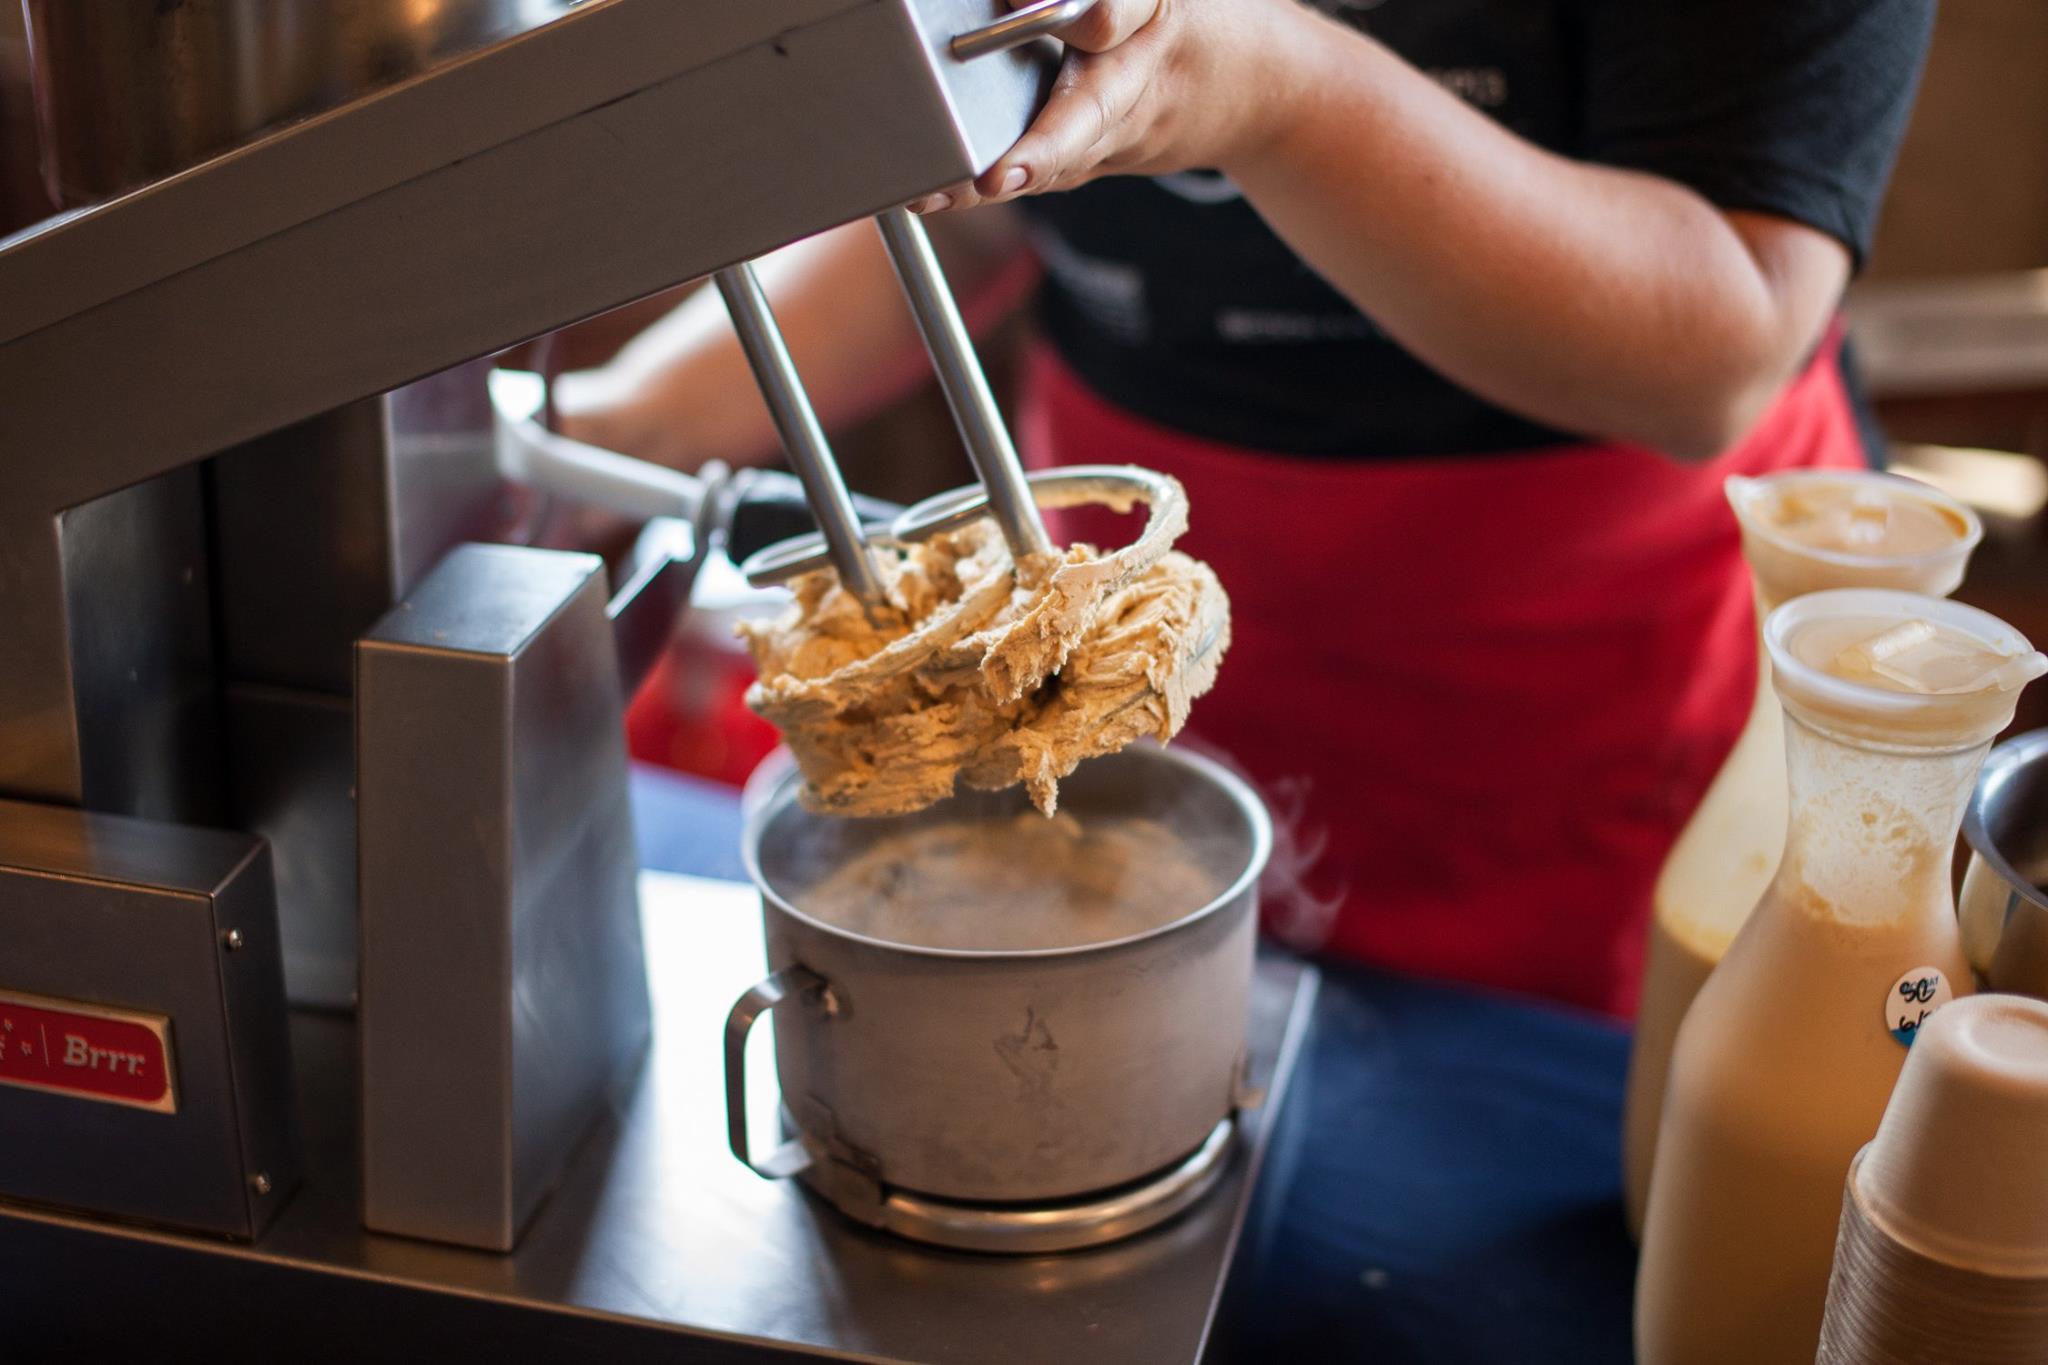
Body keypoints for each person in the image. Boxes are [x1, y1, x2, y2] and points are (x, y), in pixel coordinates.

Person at [559, 3, 1935, 1354]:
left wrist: (1272, 88)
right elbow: (986, 186)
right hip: (1123, 643)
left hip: (1592, 705)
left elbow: (1720, 337)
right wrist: (620, 428)